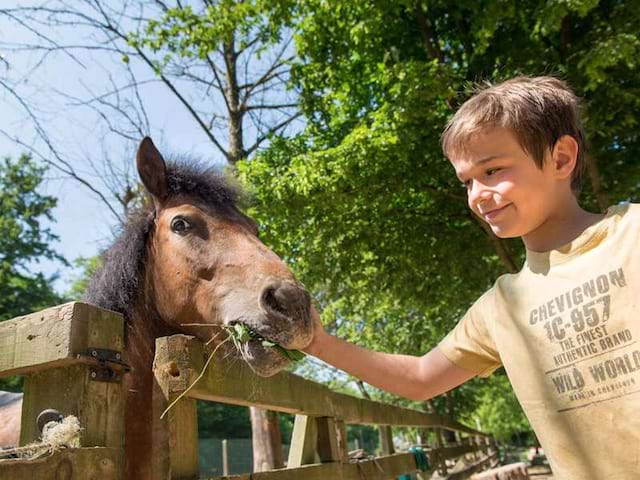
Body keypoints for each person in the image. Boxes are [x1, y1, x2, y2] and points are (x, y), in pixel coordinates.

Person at [303, 76, 640, 480]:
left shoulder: (632, 235)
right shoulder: (501, 307)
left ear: (561, 159)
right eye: (467, 181)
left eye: (493, 170)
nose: (477, 194)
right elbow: (421, 378)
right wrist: (314, 341)